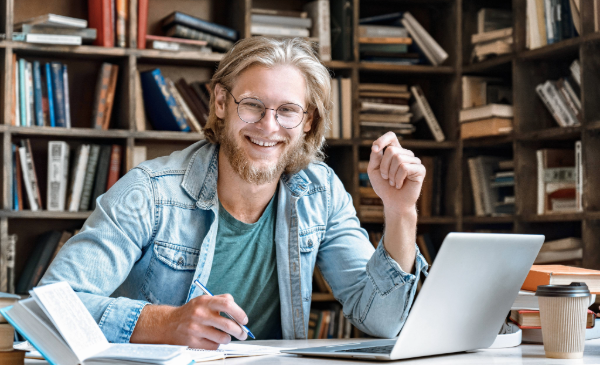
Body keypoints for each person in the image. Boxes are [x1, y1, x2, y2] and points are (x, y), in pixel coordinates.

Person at [40, 37, 428, 349]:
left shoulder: (321, 192)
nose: (269, 126)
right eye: (253, 105)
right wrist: (167, 323)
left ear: (307, 121)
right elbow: (50, 308)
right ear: (221, 102)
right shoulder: (149, 192)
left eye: (288, 111)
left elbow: (382, 321)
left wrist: (400, 211)